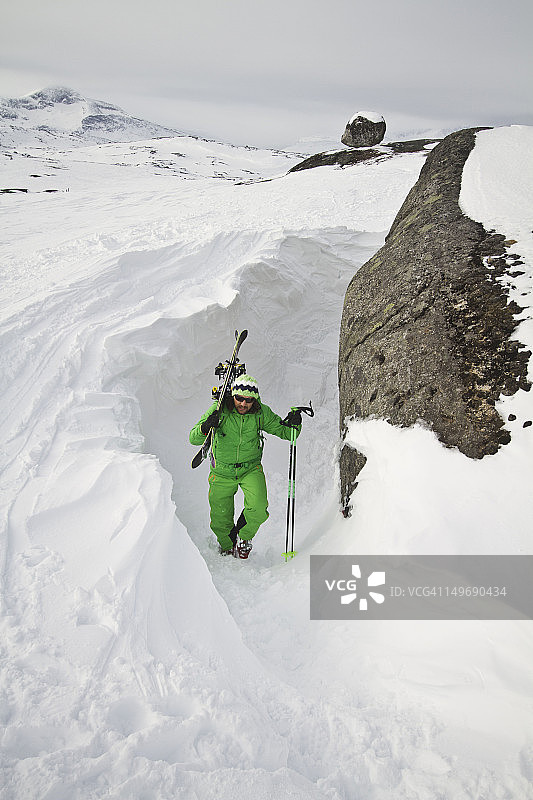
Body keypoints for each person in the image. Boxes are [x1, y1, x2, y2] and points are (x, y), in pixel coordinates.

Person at [189, 375, 301, 558]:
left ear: (254, 400)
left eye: (248, 400)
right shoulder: (220, 410)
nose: (243, 404)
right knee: (220, 518)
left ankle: (244, 537)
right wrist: (206, 427)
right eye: (239, 398)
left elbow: (287, 433)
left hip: (250, 468)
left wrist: (295, 422)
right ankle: (226, 545)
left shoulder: (260, 412)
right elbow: (193, 438)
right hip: (222, 471)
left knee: (258, 507)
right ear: (233, 396)